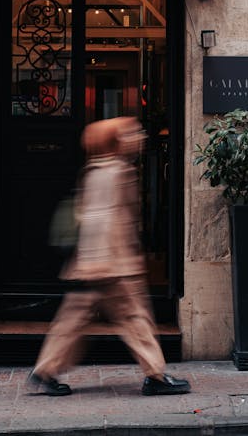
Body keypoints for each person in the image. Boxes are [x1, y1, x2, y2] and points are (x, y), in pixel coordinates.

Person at [28, 116, 191, 397]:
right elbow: (104, 219)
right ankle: (155, 374)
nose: (138, 138)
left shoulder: (94, 170)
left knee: (74, 318)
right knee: (135, 318)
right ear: (115, 141)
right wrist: (110, 260)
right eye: (130, 134)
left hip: (93, 261)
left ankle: (45, 368)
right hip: (111, 263)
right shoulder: (115, 171)